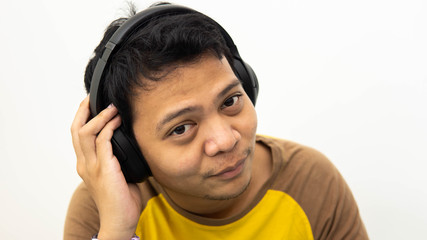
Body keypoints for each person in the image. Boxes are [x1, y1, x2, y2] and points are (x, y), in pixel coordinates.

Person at [64, 2, 368, 240]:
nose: (225, 140)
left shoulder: (312, 183)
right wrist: (117, 232)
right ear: (126, 150)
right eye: (181, 128)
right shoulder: (103, 210)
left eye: (230, 101)